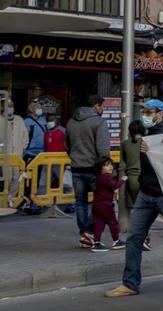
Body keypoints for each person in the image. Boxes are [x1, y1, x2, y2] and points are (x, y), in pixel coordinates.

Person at [105, 99, 163, 301]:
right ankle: (130, 284)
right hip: (145, 194)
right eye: (144, 111)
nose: (145, 115)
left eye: (149, 111)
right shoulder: (144, 136)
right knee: (134, 238)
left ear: (160, 114)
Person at [65, 95, 110, 248]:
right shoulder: (99, 122)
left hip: (76, 167)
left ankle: (84, 232)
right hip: (94, 168)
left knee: (80, 202)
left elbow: (67, 146)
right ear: (96, 106)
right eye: (102, 106)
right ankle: (89, 232)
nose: (102, 109)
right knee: (102, 201)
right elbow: (103, 150)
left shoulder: (71, 122)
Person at [91, 157, 126, 252]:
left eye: (111, 165)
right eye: (107, 165)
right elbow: (114, 186)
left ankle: (96, 243)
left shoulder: (99, 178)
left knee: (99, 224)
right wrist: (123, 180)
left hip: (96, 204)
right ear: (101, 169)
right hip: (105, 205)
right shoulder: (106, 177)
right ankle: (116, 241)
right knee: (113, 222)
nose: (110, 167)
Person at [119, 120, 146, 238]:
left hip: (131, 179)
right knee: (146, 209)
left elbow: (122, 164)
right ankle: (144, 234)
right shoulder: (147, 142)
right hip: (146, 179)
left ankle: (131, 230)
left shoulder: (125, 144)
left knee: (134, 207)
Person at [0, 99, 28, 206]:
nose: (10, 107)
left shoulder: (19, 119)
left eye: (11, 105)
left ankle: (11, 200)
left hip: (17, 156)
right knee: (6, 179)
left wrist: (23, 148)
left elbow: (25, 136)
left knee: (16, 178)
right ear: (2, 107)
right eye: (8, 105)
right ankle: (4, 200)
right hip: (4, 157)